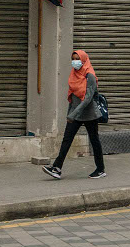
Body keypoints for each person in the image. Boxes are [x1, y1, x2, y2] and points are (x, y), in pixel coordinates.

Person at [43, 49, 105, 179]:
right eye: (73, 58)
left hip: (89, 114)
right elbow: (72, 96)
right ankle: (57, 168)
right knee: (67, 140)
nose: (75, 61)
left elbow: (88, 98)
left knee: (94, 141)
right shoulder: (74, 74)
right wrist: (70, 113)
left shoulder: (90, 75)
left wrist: (73, 114)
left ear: (83, 60)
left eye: (77, 59)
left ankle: (100, 169)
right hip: (75, 114)